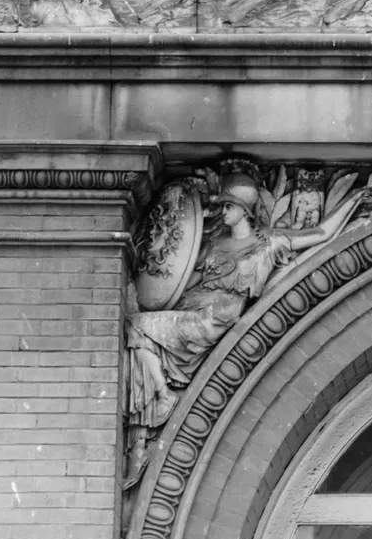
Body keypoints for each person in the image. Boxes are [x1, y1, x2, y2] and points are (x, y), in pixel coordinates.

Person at [123, 171, 358, 486]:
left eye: (229, 206)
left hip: (210, 321)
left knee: (138, 329)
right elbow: (179, 283)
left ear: (245, 210)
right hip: (193, 312)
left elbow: (321, 234)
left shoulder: (269, 242)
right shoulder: (213, 246)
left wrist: (355, 200)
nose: (223, 212)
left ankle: (163, 398)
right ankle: (146, 428)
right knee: (137, 345)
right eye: (222, 206)